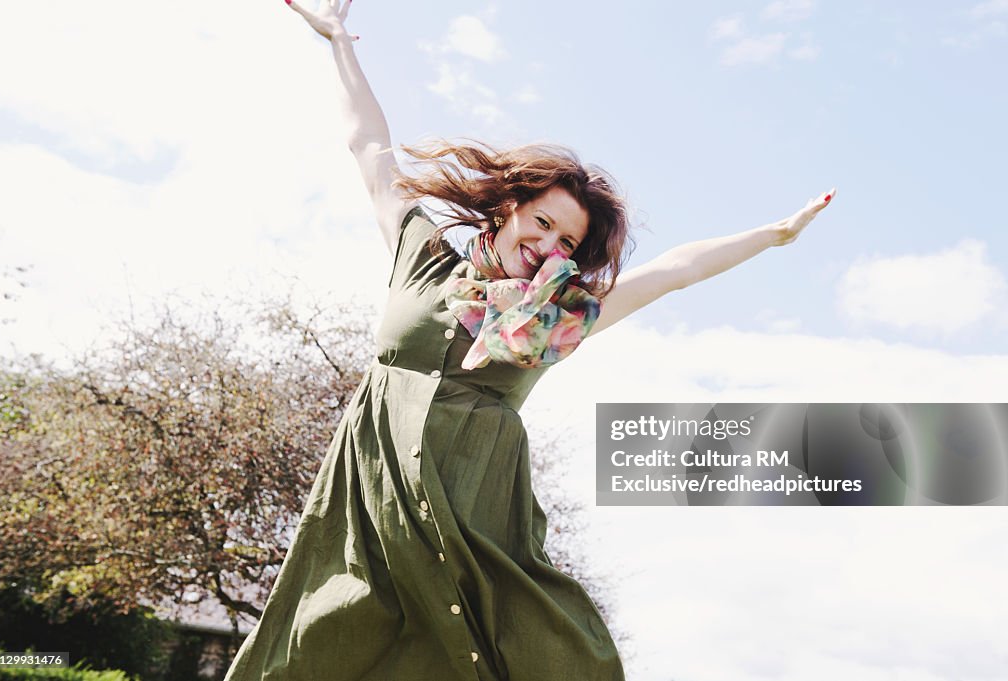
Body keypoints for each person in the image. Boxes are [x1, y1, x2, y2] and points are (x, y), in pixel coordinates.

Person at [223, 2, 835, 680]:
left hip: (476, 514)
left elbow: (674, 272)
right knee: (325, 638)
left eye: (566, 241)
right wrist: (339, 42)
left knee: (529, 651)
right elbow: (369, 147)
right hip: (374, 498)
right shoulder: (423, 257)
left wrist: (774, 235)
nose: (546, 245)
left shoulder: (560, 316)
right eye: (541, 222)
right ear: (509, 207)